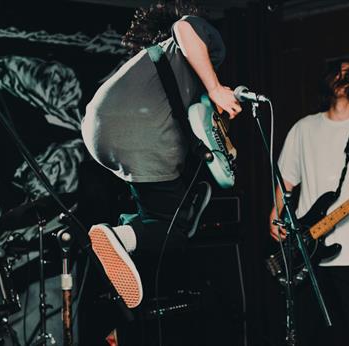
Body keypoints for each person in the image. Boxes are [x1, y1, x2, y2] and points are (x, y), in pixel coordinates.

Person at [81, 1, 242, 309]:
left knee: (158, 212)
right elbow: (185, 27)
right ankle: (122, 235)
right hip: (139, 132)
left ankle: (128, 231)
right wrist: (216, 86)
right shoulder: (198, 35)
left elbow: (195, 118)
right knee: (173, 233)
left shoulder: (158, 66)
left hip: (97, 130)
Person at [269, 60, 349, 346]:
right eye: (338, 72)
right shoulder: (304, 128)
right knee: (312, 336)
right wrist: (274, 214)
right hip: (307, 253)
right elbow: (286, 181)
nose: (343, 78)